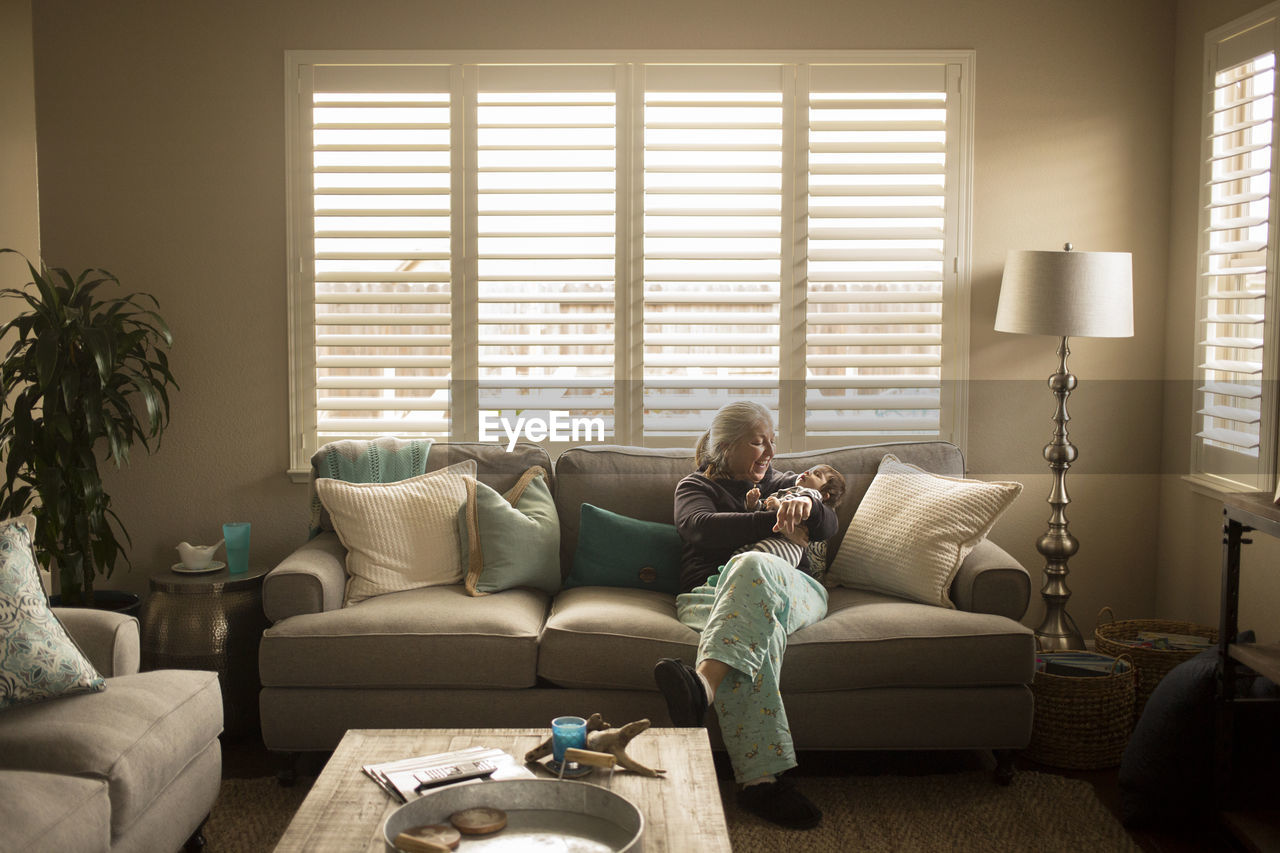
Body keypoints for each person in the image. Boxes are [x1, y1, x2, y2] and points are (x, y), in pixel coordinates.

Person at [653, 401, 838, 830]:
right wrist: (770, 517)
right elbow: (699, 527)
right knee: (755, 621)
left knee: (754, 568)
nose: (770, 451)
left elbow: (827, 523)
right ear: (726, 445)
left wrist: (807, 506)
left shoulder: (789, 483)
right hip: (709, 593)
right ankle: (761, 783)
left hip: (797, 590)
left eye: (773, 441)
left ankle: (702, 685)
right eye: (759, 441)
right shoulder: (694, 486)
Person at [734, 464, 846, 568]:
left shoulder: (811, 495)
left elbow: (796, 509)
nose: (807, 472)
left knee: (755, 559)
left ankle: (740, 578)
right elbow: (764, 509)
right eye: (810, 470)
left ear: (825, 495)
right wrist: (753, 504)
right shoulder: (787, 491)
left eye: (817, 475)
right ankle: (729, 576)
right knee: (738, 555)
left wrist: (778, 504)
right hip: (768, 537)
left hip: (787, 545)